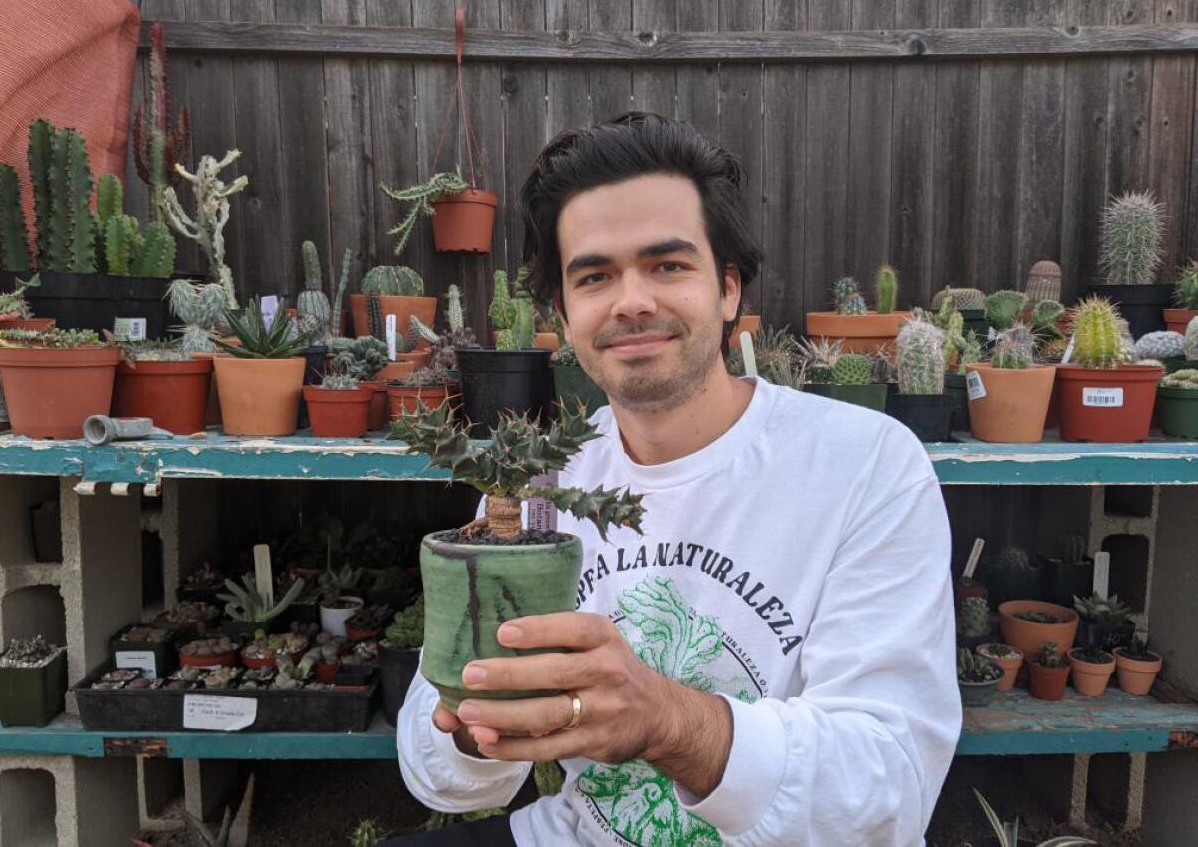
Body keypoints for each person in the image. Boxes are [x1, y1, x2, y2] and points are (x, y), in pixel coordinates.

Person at [392, 112, 960, 846]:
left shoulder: (866, 465)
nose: (631, 300)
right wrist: (472, 725)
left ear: (728, 292)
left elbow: (889, 789)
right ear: (564, 316)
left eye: (667, 265)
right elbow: (437, 777)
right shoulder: (532, 483)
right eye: (595, 276)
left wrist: (664, 719)